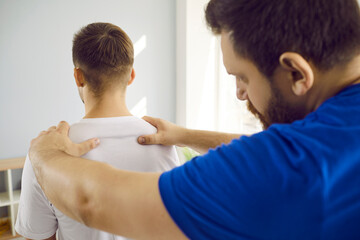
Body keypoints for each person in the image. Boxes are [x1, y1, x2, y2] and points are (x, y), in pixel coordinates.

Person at [27, 0, 360, 239]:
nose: (240, 94)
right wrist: (184, 135)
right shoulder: (323, 144)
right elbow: (278, 153)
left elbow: (89, 201)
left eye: (241, 77)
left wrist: (45, 155)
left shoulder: (291, 167)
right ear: (131, 75)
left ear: (297, 73)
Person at [15, 22, 179, 240]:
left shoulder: (45, 151)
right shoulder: (163, 144)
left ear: (78, 76)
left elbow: (38, 236)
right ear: (131, 76)